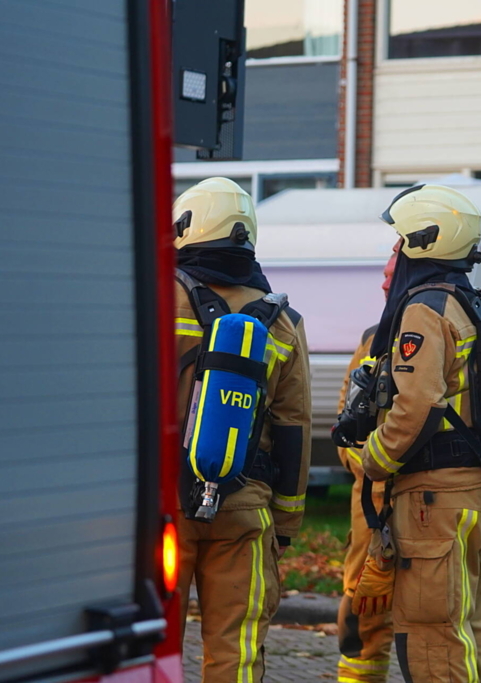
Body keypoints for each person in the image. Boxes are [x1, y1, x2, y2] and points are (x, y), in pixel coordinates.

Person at [354, 185, 481, 683]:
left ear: (423, 242)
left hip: (436, 505)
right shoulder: (472, 303)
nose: (393, 253)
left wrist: (373, 459)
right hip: (480, 493)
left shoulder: (424, 308)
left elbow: (417, 403)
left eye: (397, 242)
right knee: (470, 630)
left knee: (433, 638)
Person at [172, 178, 311, 682]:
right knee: (237, 652)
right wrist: (286, 524)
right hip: (244, 507)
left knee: (152, 641)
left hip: (161, 505)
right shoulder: (283, 321)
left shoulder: (157, 296)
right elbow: (294, 427)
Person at [335, 244, 398, 683]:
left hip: (432, 505)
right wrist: (365, 464)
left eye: (392, 274)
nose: (384, 282)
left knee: (431, 625)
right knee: (362, 614)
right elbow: (345, 416)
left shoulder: (441, 331)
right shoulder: (372, 340)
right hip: (372, 510)